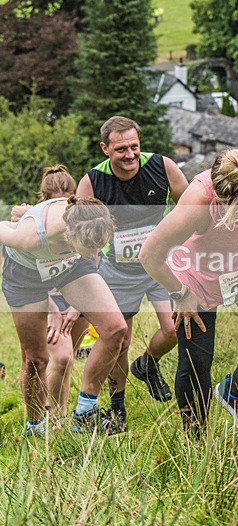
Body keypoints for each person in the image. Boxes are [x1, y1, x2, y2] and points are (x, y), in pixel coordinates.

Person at [139, 148, 238, 438]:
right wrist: (180, 292)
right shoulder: (198, 201)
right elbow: (149, 255)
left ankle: (235, 393)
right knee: (197, 364)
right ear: (220, 197)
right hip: (196, 279)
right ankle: (195, 441)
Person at [76, 116, 188, 411]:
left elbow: (191, 207)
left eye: (134, 147)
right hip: (117, 270)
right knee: (119, 340)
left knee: (174, 329)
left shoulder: (162, 167)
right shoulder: (92, 182)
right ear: (105, 149)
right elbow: (79, 237)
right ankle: (117, 406)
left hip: (159, 264)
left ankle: (148, 364)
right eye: (121, 149)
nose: (129, 155)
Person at [0, 194, 128, 436]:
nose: (95, 254)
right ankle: (35, 426)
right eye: (91, 248)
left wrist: (76, 305)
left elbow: (92, 254)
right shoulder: (30, 236)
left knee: (115, 329)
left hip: (70, 266)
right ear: (69, 234)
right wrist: (18, 220)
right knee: (36, 359)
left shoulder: (91, 219)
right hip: (25, 274)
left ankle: (84, 413)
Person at [11, 165, 91, 420]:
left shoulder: (82, 219)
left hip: (76, 296)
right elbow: (21, 277)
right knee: (59, 356)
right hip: (45, 298)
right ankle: (48, 418)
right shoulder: (31, 227)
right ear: (43, 201)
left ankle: (59, 416)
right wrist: (50, 307)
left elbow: (94, 260)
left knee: (66, 361)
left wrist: (78, 305)